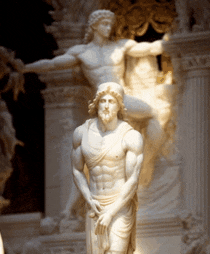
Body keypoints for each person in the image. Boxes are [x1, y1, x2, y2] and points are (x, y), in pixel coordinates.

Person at [25, 9, 171, 219]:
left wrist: (170, 40)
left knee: (150, 113)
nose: (108, 27)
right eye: (103, 23)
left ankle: (150, 163)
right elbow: (52, 64)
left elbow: (149, 48)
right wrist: (25, 69)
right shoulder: (81, 52)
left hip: (120, 99)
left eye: (110, 23)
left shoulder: (120, 46)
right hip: (103, 103)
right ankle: (70, 208)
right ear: (93, 26)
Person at [72, 81, 166, 254]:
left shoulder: (130, 136)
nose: (106, 106)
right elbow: (77, 169)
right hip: (96, 207)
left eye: (112, 101)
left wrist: (112, 210)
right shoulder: (82, 133)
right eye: (102, 101)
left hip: (120, 205)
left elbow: (132, 182)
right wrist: (89, 199)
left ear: (119, 106)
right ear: (96, 104)